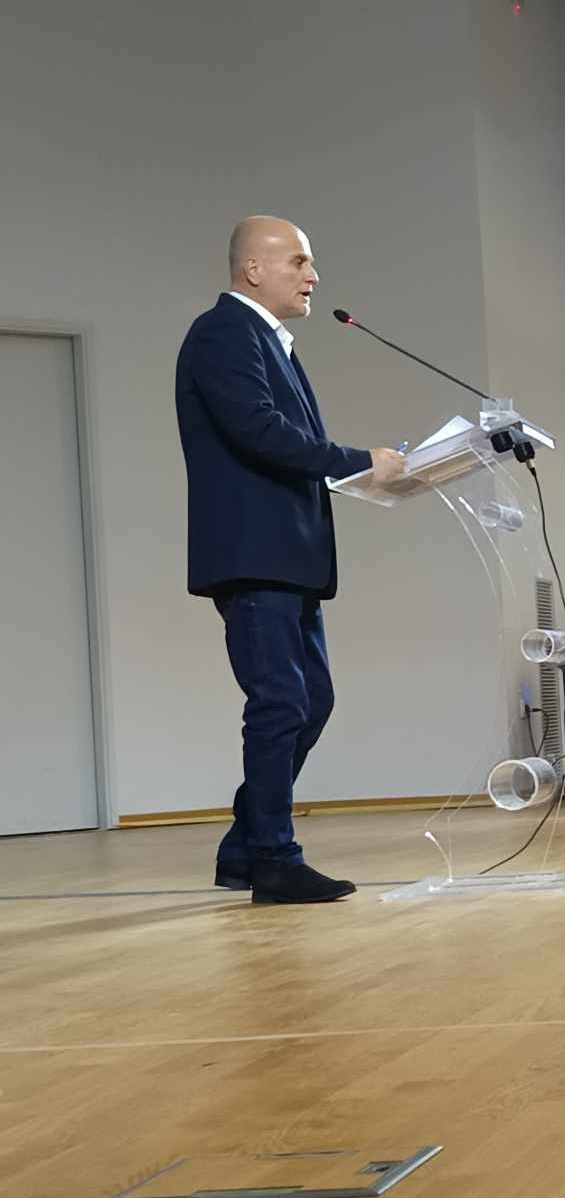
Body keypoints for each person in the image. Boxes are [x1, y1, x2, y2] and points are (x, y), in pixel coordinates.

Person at [178, 216, 406, 904]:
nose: (313, 277)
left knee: (311, 699)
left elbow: (280, 443)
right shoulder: (223, 332)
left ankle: (244, 848)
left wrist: (360, 472)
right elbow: (259, 432)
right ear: (253, 269)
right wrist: (358, 462)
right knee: (280, 702)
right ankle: (274, 858)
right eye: (299, 262)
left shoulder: (267, 340)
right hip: (255, 557)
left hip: (287, 558)